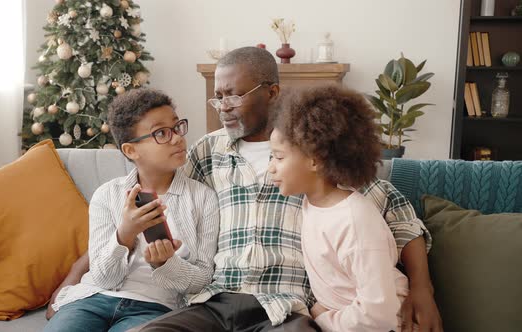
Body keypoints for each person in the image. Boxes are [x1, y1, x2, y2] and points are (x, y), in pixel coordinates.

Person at [51, 47, 443, 331]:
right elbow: (144, 196)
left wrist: (422, 290)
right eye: (218, 96)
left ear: (271, 92)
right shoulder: (207, 151)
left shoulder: (314, 151)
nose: (223, 106)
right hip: (215, 299)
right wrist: (73, 279)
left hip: (284, 304)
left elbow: (398, 214)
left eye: (233, 95)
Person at [43, 88, 219, 332]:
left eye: (177, 127)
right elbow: (104, 277)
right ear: (130, 150)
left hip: (156, 307)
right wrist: (124, 236)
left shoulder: (203, 199)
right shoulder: (107, 195)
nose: (177, 138)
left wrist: (166, 264)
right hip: (92, 299)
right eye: (161, 133)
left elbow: (203, 279)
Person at [269, 84, 410, 331]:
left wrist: (322, 319)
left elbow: (379, 313)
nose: (270, 168)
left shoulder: (355, 219)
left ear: (315, 160)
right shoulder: (311, 202)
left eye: (278, 157)